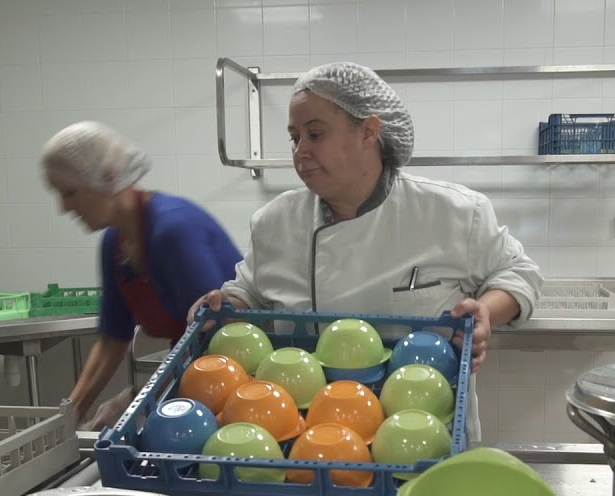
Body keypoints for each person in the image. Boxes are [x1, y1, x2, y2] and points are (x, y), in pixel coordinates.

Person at [188, 62, 543, 439]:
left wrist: (486, 310)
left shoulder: (451, 213)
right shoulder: (274, 222)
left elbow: (519, 273)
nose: (301, 152)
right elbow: (249, 292)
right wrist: (224, 307)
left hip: (422, 434)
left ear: (369, 132)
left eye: (315, 134)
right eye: (295, 137)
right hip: (302, 438)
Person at [41, 121, 242, 429]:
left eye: (70, 192)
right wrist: (67, 417)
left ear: (107, 178)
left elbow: (215, 338)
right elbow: (112, 341)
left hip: (235, 379)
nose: (64, 207)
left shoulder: (173, 231)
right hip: (197, 378)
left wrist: (139, 400)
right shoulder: (114, 243)